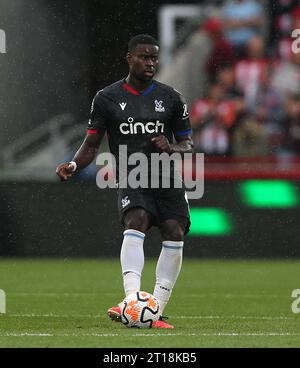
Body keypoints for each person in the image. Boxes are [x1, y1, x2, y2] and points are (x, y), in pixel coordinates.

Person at [56, 34, 193, 329]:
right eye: (144, 57)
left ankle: (155, 309)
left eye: (154, 57)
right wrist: (73, 164)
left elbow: (188, 143)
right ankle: (132, 301)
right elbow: (91, 145)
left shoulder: (172, 98)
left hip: (167, 175)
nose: (150, 63)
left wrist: (173, 148)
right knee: (137, 220)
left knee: (175, 231)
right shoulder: (107, 98)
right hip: (132, 174)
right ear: (129, 58)